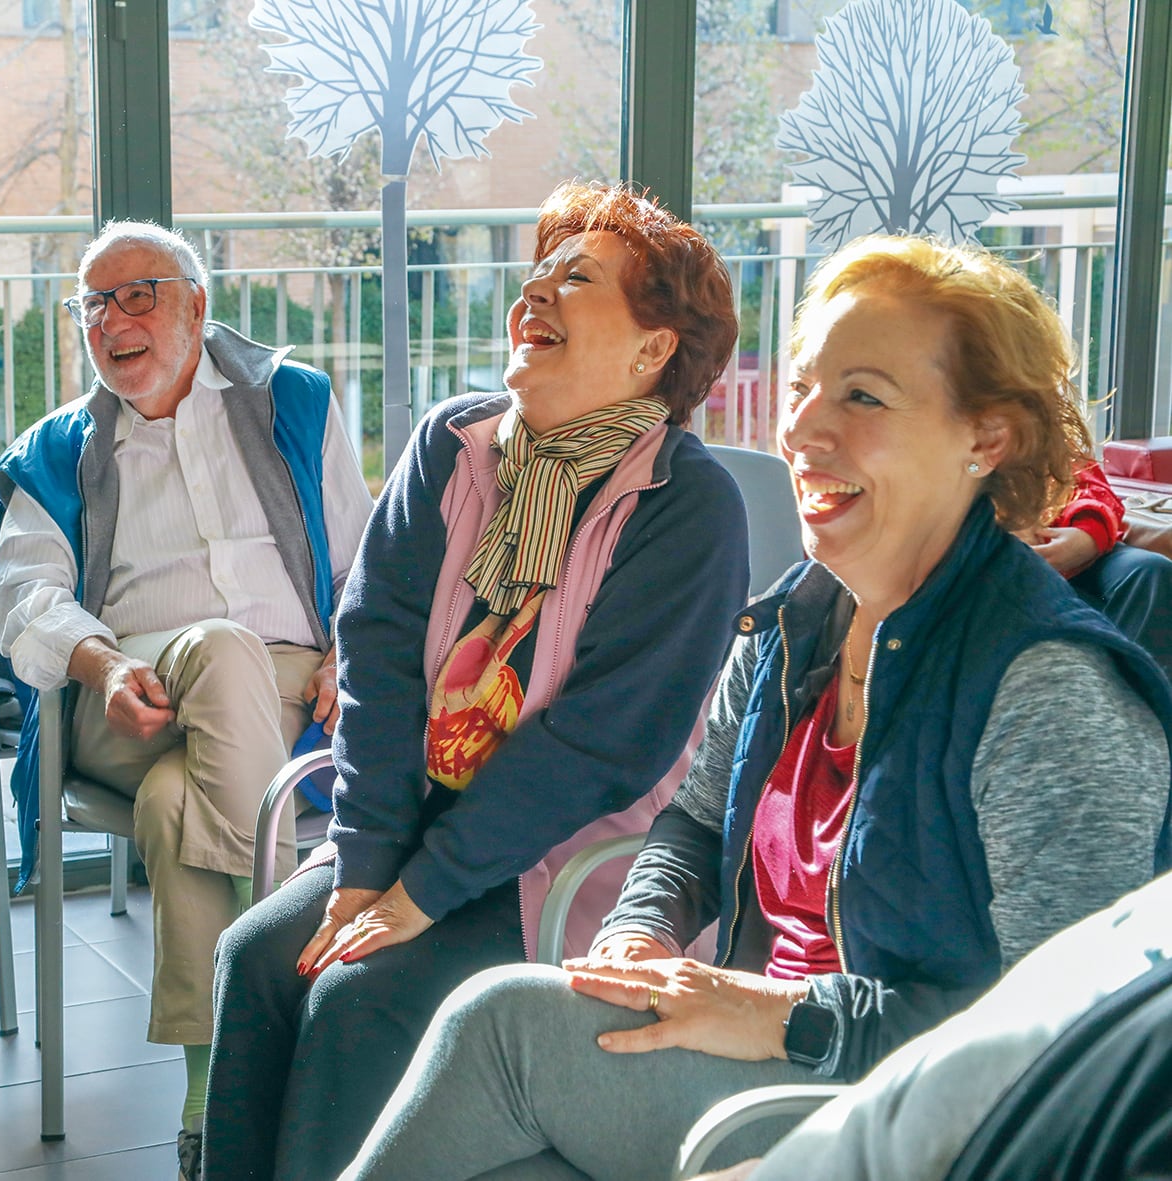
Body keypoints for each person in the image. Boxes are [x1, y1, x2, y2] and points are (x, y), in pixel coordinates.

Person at [335, 235, 1172, 1181]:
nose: (806, 430)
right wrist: (636, 935)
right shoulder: (794, 619)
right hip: (755, 1053)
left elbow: (1061, 1039)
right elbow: (692, 822)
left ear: (986, 437)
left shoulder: (1049, 687)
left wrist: (787, 1016)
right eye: (805, 385)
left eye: (863, 396)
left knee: (500, 1027)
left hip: (898, 1112)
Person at [203, 180, 752, 1181]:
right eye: (537, 269)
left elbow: (599, 743)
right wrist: (368, 862)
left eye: (574, 278)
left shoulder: (687, 504)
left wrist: (418, 889)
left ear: (650, 349)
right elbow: (373, 644)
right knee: (256, 955)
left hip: (565, 858)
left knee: (357, 993)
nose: (534, 290)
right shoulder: (453, 446)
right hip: (413, 828)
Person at [0, 221, 373, 1180]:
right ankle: (300, 999)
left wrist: (349, 655)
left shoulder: (293, 401)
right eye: (93, 304)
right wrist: (99, 664)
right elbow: (21, 594)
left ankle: (212, 1097)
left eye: (139, 295)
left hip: (287, 698)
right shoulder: (61, 449)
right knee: (222, 648)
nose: (113, 320)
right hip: (131, 697)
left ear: (197, 306)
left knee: (175, 803)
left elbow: (366, 555)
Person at [691, 867, 1172, 1181]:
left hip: (840, 1077)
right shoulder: (1153, 913)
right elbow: (1015, 1025)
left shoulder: (1054, 726)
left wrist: (801, 1017)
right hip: (866, 1128)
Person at [1015, 460, 1172, 677]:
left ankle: (1146, 692)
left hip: (1085, 554)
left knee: (1149, 570)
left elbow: (1094, 491)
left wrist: (1087, 536)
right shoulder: (965, 460)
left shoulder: (1057, 450)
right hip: (1012, 572)